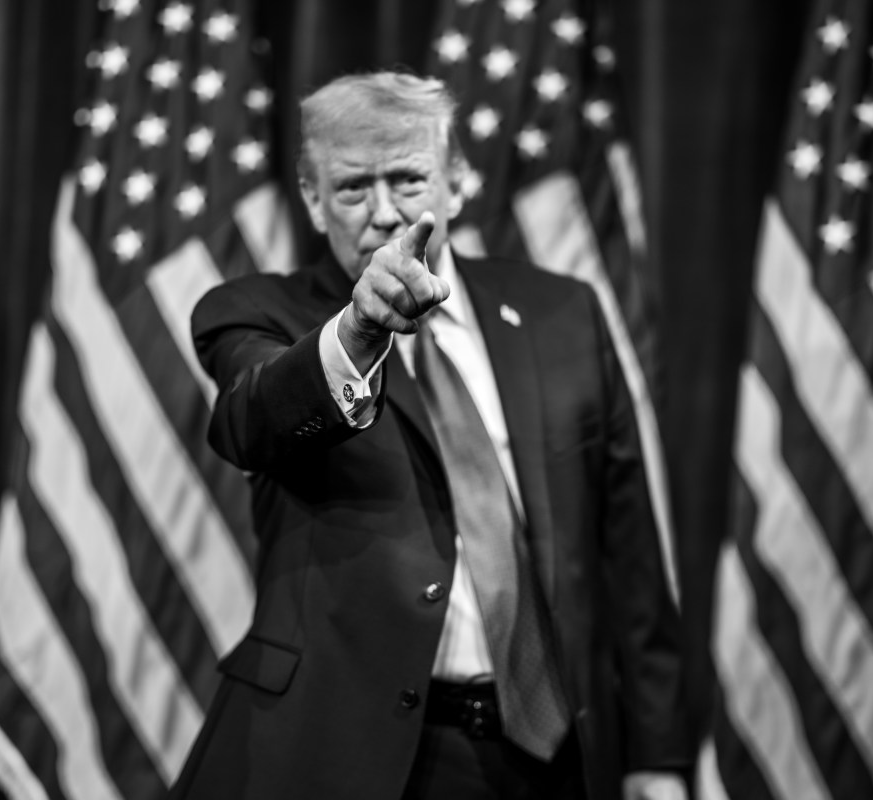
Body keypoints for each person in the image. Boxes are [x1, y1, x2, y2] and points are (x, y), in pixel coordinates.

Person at [168, 71, 690, 800]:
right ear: (314, 202)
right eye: (352, 188)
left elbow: (628, 553)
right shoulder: (256, 312)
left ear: (457, 181)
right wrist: (356, 333)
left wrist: (659, 756)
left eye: (409, 179)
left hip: (553, 755)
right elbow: (251, 420)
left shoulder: (561, 312)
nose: (384, 213)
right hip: (355, 760)